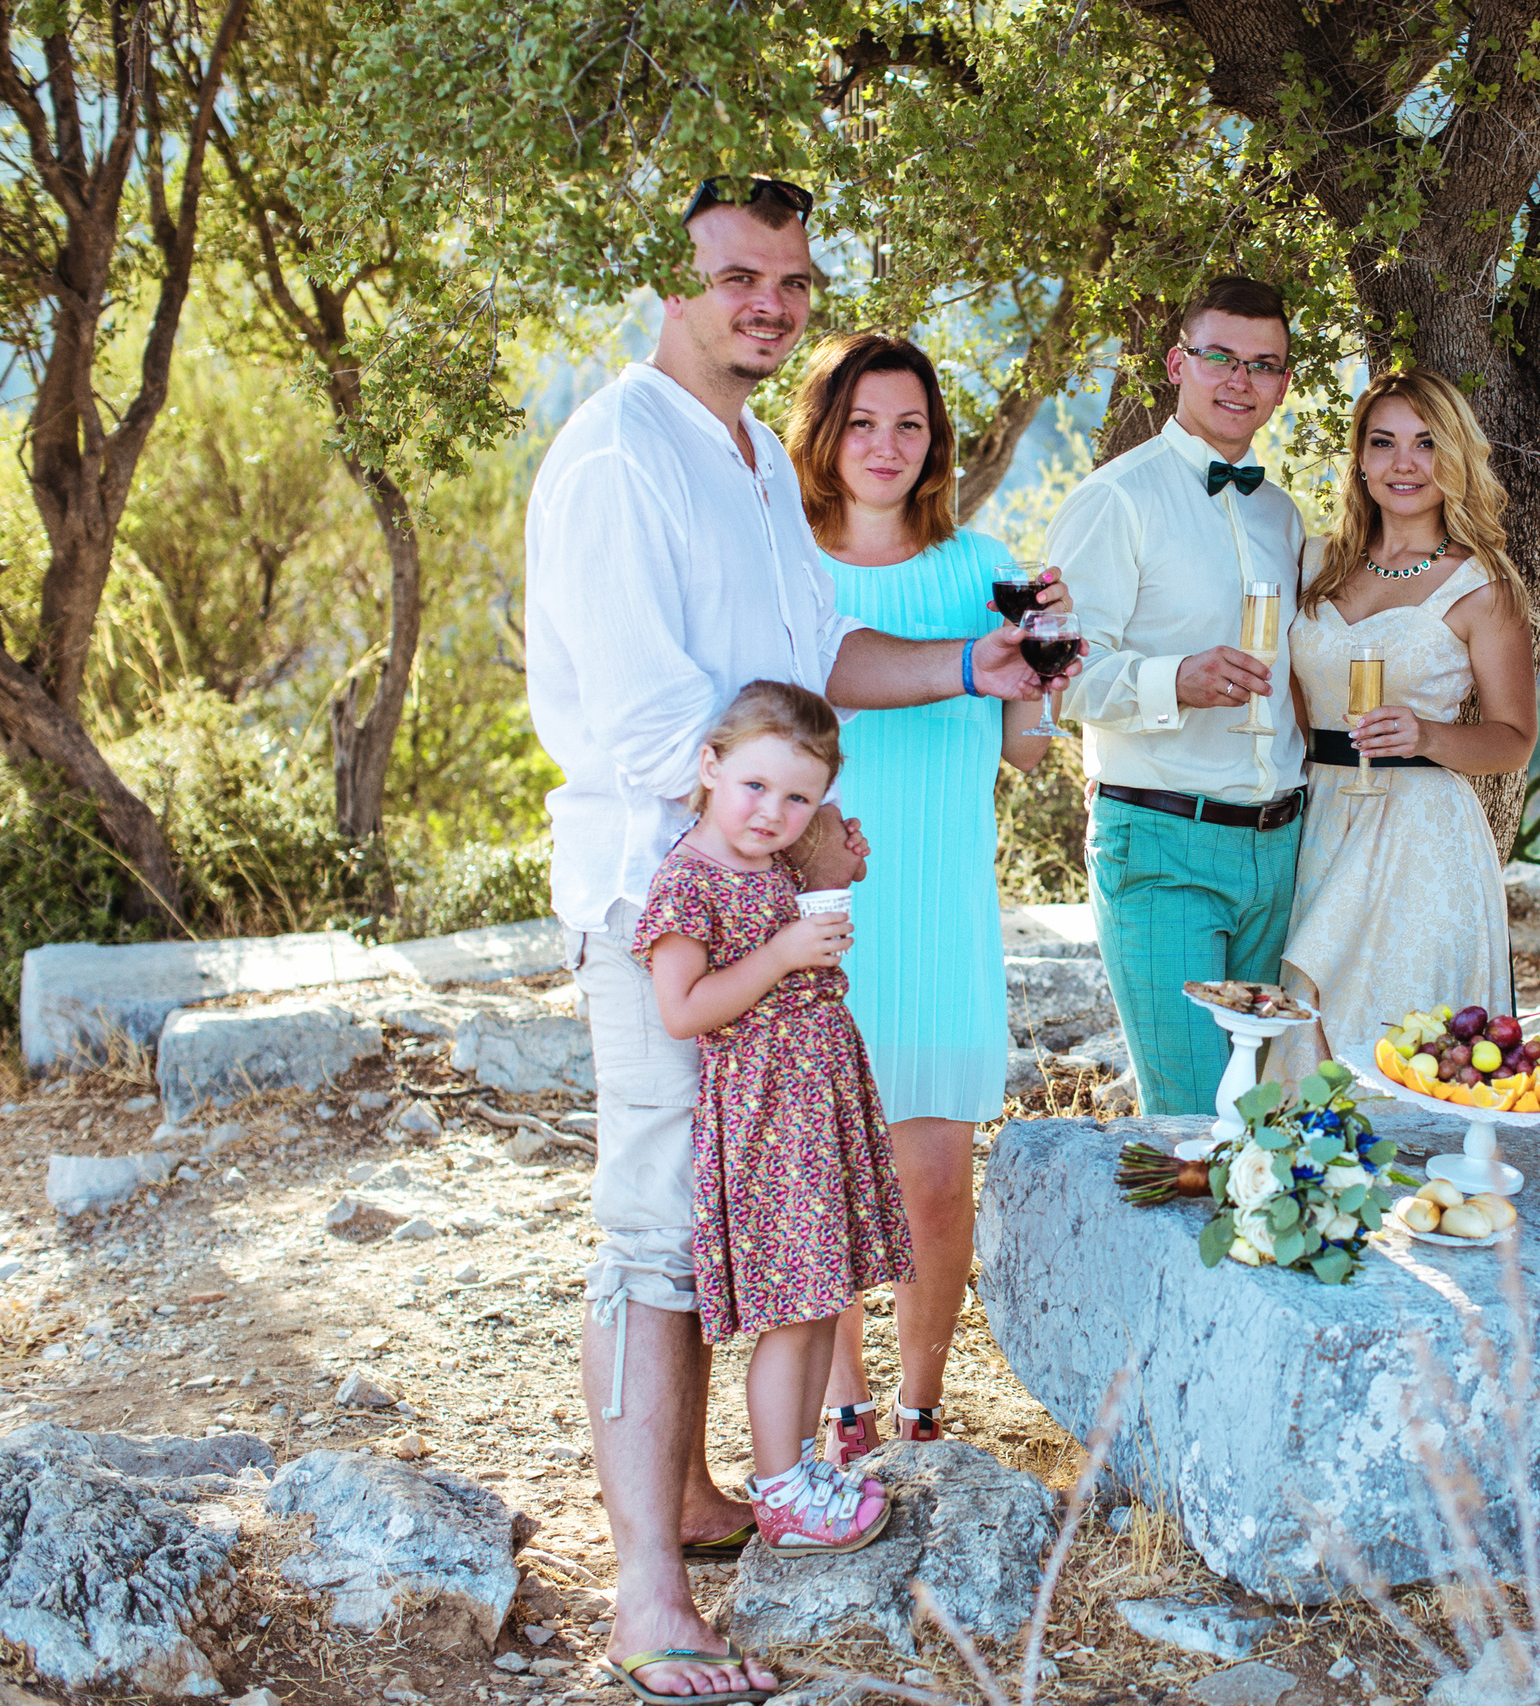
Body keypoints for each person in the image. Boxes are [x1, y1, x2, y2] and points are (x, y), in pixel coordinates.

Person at [525, 175, 1079, 1704]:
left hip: (765, 908)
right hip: (668, 911)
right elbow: (650, 726)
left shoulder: (761, 455)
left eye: (791, 278)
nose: (767, 301)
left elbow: (814, 658)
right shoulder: (618, 459)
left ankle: (699, 1499)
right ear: (673, 280)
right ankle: (647, 1590)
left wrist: (981, 657)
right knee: (652, 1237)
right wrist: (786, 840)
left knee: (718, 1225)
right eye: (737, 275)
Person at [783, 332, 1049, 1462]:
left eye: (908, 424)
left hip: (942, 907)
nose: (885, 446)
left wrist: (1042, 673)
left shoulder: (984, 567)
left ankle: (923, 1402)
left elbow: (1030, 754)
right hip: (820, 914)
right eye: (861, 423)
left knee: (936, 1182)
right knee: (833, 1169)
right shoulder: (784, 566)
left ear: (935, 440)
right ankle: (843, 1400)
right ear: (823, 436)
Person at [634, 682, 910, 1563]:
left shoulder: (778, 863)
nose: (774, 812)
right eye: (755, 787)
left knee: (824, 1301)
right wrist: (783, 952)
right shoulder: (689, 879)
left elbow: (809, 894)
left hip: (817, 1100)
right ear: (710, 768)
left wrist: (835, 872)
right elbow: (684, 1009)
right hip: (766, 1119)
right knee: (794, 1308)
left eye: (799, 798)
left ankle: (804, 1468)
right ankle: (781, 1492)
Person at [1051, 276, 1309, 1113]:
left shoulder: (1284, 515)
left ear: (1283, 385)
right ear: (1177, 364)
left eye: (1263, 365)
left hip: (1283, 850)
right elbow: (1059, 678)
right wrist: (1175, 680)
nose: (1240, 380)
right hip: (1162, 841)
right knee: (1196, 1118)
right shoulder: (1114, 500)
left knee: (1260, 1112)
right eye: (1220, 358)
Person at [1276, 368, 1536, 1074]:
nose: (1404, 464)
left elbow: (1514, 740)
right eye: (1384, 442)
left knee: (1400, 1045)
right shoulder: (1316, 565)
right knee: (1303, 1028)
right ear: (1360, 459)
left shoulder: (1483, 584)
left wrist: (1428, 735)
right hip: (1321, 820)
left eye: (1425, 444)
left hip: (1421, 841)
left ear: (1453, 458)